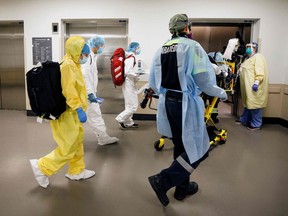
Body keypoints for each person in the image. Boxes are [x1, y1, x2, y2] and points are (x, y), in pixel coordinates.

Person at [148, 14, 227, 206]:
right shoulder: (193, 47)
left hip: (168, 102)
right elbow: (203, 79)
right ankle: (163, 180)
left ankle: (182, 189)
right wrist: (221, 93)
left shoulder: (161, 48)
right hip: (186, 103)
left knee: (180, 146)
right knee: (200, 148)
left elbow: (153, 81)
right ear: (187, 28)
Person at [30, 36, 95, 188]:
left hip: (73, 113)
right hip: (67, 113)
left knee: (77, 142)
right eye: (83, 54)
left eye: (85, 55)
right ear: (75, 51)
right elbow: (68, 90)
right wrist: (78, 108)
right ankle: (42, 167)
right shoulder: (67, 66)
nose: (84, 57)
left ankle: (76, 170)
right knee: (68, 147)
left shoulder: (75, 64)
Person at [81, 36, 119, 145]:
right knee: (95, 115)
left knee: (90, 116)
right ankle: (103, 138)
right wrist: (90, 93)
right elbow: (84, 76)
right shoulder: (88, 56)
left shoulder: (92, 56)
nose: (103, 47)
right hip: (87, 94)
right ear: (97, 45)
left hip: (89, 92)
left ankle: (102, 137)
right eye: (102, 45)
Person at [236, 42, 268, 130]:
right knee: (248, 104)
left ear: (255, 48)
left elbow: (260, 71)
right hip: (246, 88)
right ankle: (244, 119)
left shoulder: (258, 57)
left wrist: (256, 82)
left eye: (249, 47)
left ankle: (256, 124)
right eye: (246, 47)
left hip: (254, 87)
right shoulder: (248, 59)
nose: (247, 49)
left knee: (255, 105)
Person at [115, 42, 141, 129]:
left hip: (129, 83)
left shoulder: (129, 57)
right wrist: (137, 74)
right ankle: (120, 118)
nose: (139, 49)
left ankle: (129, 122)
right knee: (133, 106)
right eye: (138, 48)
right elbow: (127, 72)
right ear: (134, 48)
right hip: (128, 83)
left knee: (129, 104)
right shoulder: (131, 58)